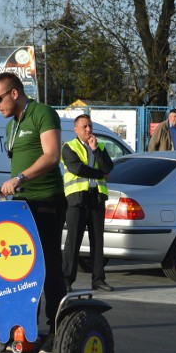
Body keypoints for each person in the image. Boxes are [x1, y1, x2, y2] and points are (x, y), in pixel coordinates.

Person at [0, 72, 66, 353]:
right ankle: (24, 332)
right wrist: (7, 189)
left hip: (46, 201)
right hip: (21, 206)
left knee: (48, 267)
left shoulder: (42, 113)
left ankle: (57, 332)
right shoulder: (13, 126)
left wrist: (20, 178)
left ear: (14, 93)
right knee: (21, 269)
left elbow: (51, 155)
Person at [61, 114, 115, 293]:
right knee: (73, 241)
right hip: (77, 198)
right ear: (76, 129)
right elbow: (77, 169)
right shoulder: (69, 147)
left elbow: (108, 168)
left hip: (96, 197)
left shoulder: (98, 146)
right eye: (84, 127)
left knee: (98, 241)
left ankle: (98, 279)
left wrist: (95, 151)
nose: (88, 130)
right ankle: (67, 280)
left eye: (90, 126)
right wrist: (99, 174)